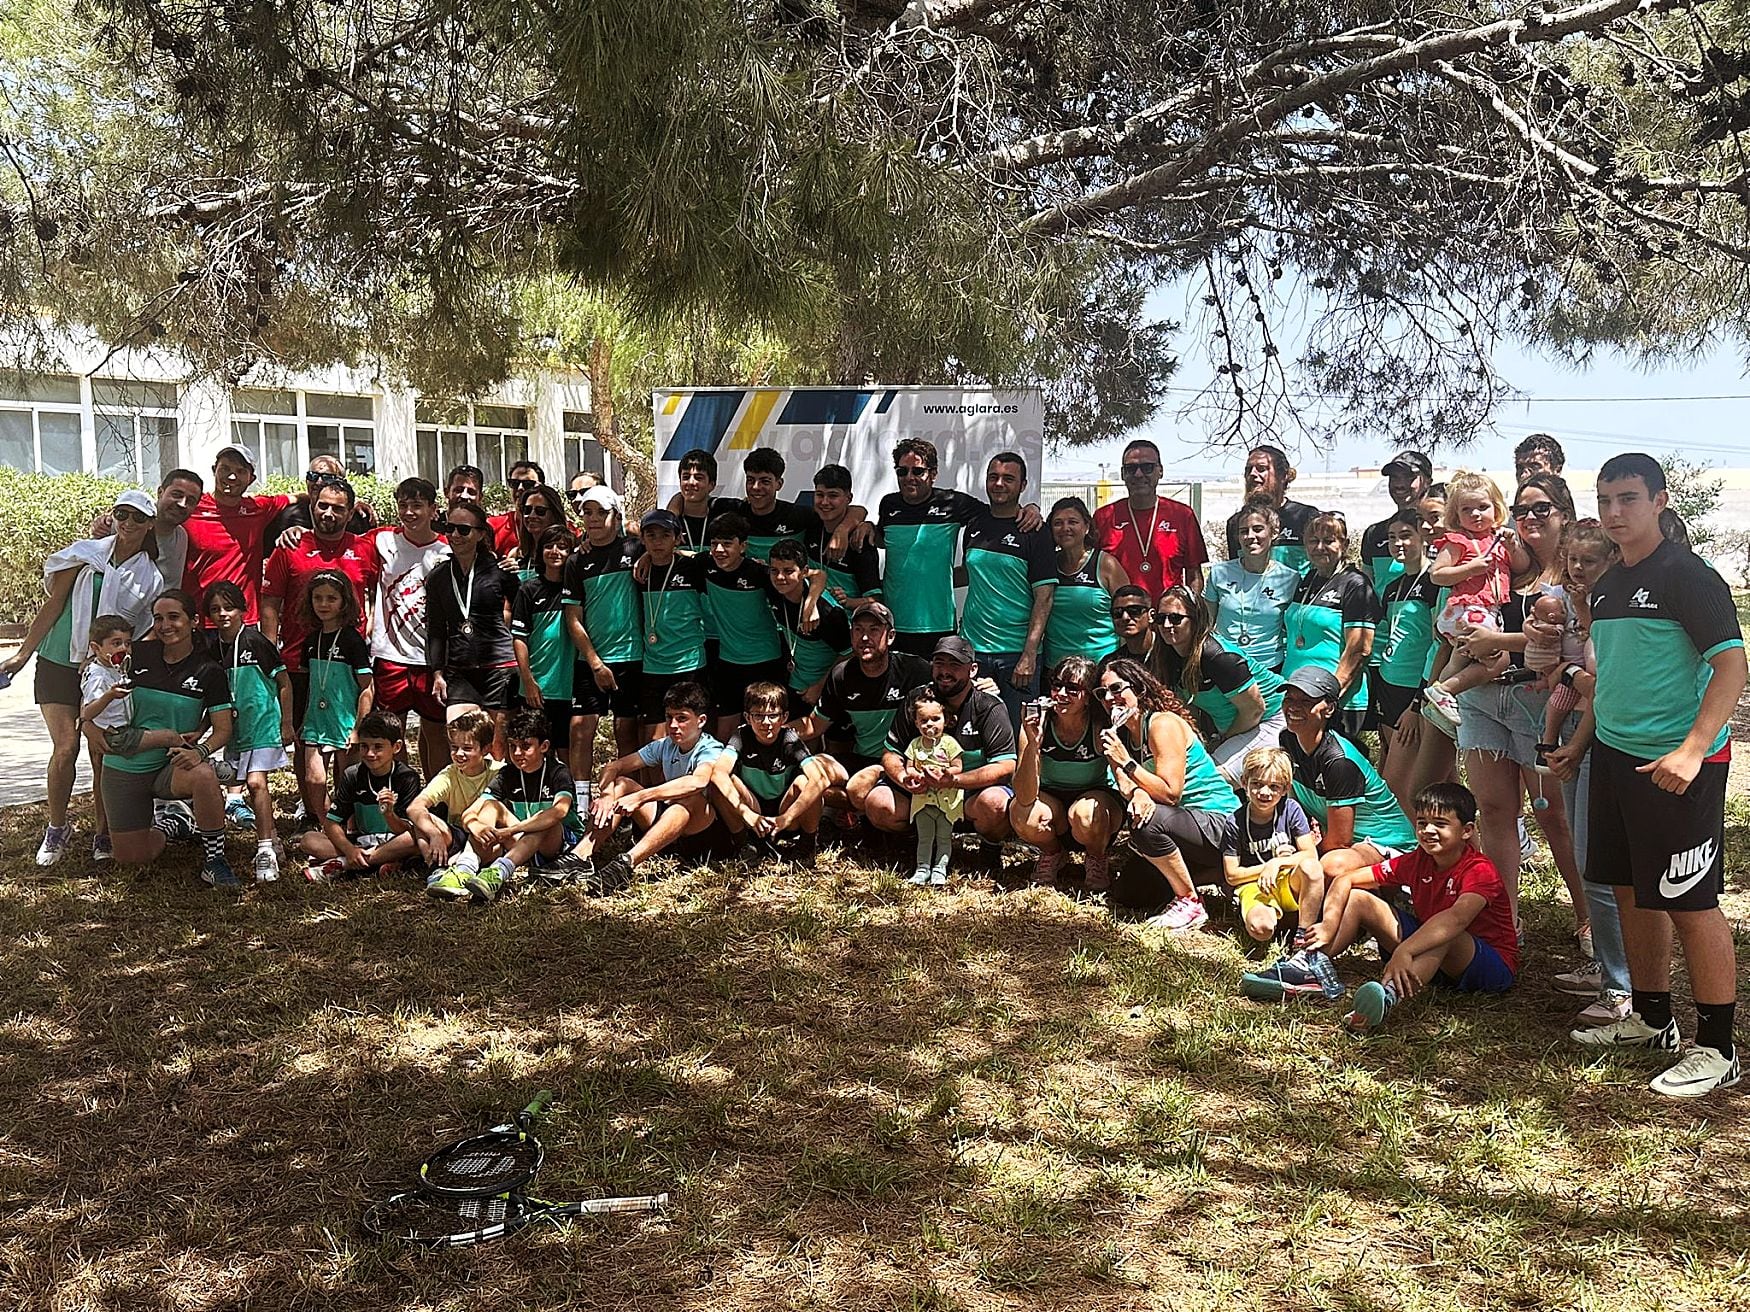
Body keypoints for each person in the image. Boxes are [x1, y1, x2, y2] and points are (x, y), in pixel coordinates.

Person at [1570, 453, 1745, 1097]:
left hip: (1678, 764)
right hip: (1615, 758)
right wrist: (1581, 744)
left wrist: (1694, 749)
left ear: (1660, 501)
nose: (1615, 513)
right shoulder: (1609, 584)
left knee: (1691, 903)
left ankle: (1718, 1046)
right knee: (1627, 888)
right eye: (1606, 499)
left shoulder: (1687, 576)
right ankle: (1650, 1018)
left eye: (1629, 499)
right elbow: (1615, 677)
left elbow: (1732, 667)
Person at [1446, 472, 1588, 931]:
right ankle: (1505, 922)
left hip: (1540, 701)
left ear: (1563, 514)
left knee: (1555, 819)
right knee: (1494, 811)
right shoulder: (1506, 563)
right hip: (1484, 699)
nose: (1529, 517)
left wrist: (1494, 639)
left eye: (1541, 509)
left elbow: (1558, 644)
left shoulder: (1576, 574)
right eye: (1521, 509)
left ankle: (1590, 919)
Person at [2, 488, 163, 866]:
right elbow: (54, 604)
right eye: (122, 514)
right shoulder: (85, 555)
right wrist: (23, 653)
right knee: (65, 748)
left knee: (101, 753)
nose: (128, 523)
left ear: (150, 525)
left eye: (138, 517)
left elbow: (136, 635)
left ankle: (103, 832)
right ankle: (57, 827)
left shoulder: (149, 578)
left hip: (101, 671)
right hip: (59, 659)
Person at [1310, 782, 1518, 1033]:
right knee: (1358, 899)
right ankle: (1312, 962)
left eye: (1440, 824)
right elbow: (1347, 879)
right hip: (1430, 956)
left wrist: (1405, 951)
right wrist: (1328, 925)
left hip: (1488, 966)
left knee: (1444, 934)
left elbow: (1456, 920)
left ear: (1467, 831)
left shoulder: (1479, 869)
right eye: (1421, 822)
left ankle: (1386, 998)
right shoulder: (1417, 860)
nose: (1428, 830)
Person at [1544, 519, 1632, 1028]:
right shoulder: (1581, 605)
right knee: (1585, 858)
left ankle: (1620, 986)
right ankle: (1605, 967)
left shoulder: (1612, 608)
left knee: (1595, 863)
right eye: (1573, 560)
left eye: (1590, 562)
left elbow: (1599, 682)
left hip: (1597, 738)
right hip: (1576, 733)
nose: (1579, 570)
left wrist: (1574, 744)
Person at [98, 589, 237, 888]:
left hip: (169, 768)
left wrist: (200, 751)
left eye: (174, 617)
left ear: (193, 621)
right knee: (132, 858)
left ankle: (214, 861)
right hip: (125, 765)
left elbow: (223, 729)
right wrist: (87, 725)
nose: (165, 625)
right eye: (158, 618)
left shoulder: (209, 670)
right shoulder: (135, 655)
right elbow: (94, 679)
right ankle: (175, 824)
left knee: (202, 774)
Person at [261, 475, 379, 814]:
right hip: (300, 659)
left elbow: (376, 591)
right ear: (312, 506)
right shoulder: (289, 546)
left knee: (348, 737)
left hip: (347, 659)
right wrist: (270, 653)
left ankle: (348, 810)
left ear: (351, 511)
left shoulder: (364, 547)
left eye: (338, 508)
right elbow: (270, 603)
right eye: (322, 506)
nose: (329, 513)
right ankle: (312, 809)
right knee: (306, 738)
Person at [1097, 657, 1235, 930]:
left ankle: (1190, 901)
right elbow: (1126, 786)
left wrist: (1126, 762)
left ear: (1139, 689)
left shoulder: (1161, 724)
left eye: (1116, 689)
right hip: (1183, 824)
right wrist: (1137, 791)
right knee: (1129, 893)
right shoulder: (1120, 736)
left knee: (1147, 823)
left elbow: (1171, 793)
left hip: (1218, 821)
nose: (1110, 698)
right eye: (1102, 693)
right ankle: (1223, 875)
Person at [862, 636, 1018, 846]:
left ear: (972, 669)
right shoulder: (916, 699)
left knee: (995, 804)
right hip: (921, 791)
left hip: (968, 794)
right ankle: (918, 841)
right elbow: (891, 753)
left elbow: (1005, 766)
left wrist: (954, 781)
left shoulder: (989, 706)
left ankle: (990, 845)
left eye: (954, 664)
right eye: (939, 663)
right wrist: (904, 777)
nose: (945, 671)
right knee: (877, 803)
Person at [879, 438, 1026, 656]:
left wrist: (1029, 508)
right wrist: (856, 522)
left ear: (934, 473)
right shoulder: (888, 504)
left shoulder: (952, 503)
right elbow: (877, 536)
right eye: (902, 471)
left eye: (918, 471)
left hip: (938, 625)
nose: (909, 477)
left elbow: (998, 511)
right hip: (891, 624)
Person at [1278, 666, 1416, 887]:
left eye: (1306, 702)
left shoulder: (1339, 762)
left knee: (1330, 866)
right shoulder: (1287, 740)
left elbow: (1339, 841)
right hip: (1344, 842)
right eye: (1289, 698)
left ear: (1329, 709)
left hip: (1386, 845)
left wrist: (1302, 853)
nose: (1293, 707)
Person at [584, 681, 726, 891]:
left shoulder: (710, 747)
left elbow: (698, 781)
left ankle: (626, 864)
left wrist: (641, 797)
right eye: (669, 717)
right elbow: (614, 767)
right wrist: (606, 795)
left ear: (701, 720)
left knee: (688, 799)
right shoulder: (665, 745)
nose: (673, 725)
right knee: (621, 784)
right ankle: (579, 856)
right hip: (667, 825)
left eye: (682, 718)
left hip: (702, 833)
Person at [1229, 746, 1340, 1001]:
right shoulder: (1235, 821)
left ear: (1285, 788)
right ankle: (1278, 922)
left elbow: (1310, 856)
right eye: (1257, 784)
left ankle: (1301, 941)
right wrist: (1264, 867)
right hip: (1255, 887)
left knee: (1312, 868)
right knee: (1261, 929)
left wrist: (1277, 864)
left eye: (1273, 787)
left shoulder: (1291, 810)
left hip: (1285, 880)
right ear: (1244, 783)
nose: (1264, 792)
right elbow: (1233, 875)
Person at [1422, 471, 1530, 722]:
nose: (1476, 514)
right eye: (1467, 509)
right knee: (1498, 659)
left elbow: (1522, 567)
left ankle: (1439, 697)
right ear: (1456, 515)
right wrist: (1470, 569)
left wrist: (1513, 546)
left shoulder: (1500, 539)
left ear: (1497, 508)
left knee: (1459, 659)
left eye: (1483, 507)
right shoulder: (1458, 541)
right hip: (1467, 609)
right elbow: (1436, 574)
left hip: (1484, 613)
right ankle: (1444, 691)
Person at [203, 581, 293, 881]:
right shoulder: (212, 647)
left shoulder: (255, 641)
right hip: (235, 729)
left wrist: (286, 722)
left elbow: (283, 682)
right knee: (233, 778)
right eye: (215, 609)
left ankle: (265, 850)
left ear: (243, 610)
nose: (222, 614)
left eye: (228, 608)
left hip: (263, 723)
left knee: (255, 784)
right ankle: (274, 837)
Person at [1154, 583, 1285, 785]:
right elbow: (1185, 708)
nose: (1167, 625)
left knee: (1211, 781)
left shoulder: (1217, 657)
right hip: (1236, 728)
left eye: (1176, 618)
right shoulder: (1169, 655)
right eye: (1161, 618)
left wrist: (1222, 740)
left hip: (1271, 718)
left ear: (1196, 619)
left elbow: (1255, 709)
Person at [959, 452, 1057, 722]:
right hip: (975, 650)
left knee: (1021, 735)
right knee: (975, 735)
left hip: (1016, 656)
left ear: (1023, 485)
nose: (999, 484)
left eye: (1008, 479)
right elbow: (974, 573)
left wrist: (1029, 654)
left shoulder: (1034, 530)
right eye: (994, 477)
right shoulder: (975, 525)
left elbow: (1045, 598)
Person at [453, 706, 588, 900]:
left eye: (525, 746)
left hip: (558, 844)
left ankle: (499, 872)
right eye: (512, 746)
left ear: (544, 746)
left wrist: (509, 831)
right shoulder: (508, 774)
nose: (517, 753)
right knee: (491, 807)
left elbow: (559, 812)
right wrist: (477, 827)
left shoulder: (558, 772)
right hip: (523, 843)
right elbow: (470, 812)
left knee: (544, 822)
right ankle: (464, 868)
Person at [799, 603, 932, 798]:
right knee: (806, 778)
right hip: (861, 758)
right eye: (858, 630)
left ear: (891, 636)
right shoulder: (841, 675)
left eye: (874, 630)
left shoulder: (915, 670)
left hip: (901, 763)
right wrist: (772, 730)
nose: (864, 638)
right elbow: (813, 725)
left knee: (858, 792)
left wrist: (982, 685)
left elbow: (952, 686)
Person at [1009, 656, 1119, 890]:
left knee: (1087, 813)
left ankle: (1096, 857)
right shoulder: (1037, 722)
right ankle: (1052, 854)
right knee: (1021, 812)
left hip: (1094, 800)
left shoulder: (1100, 725)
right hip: (1052, 803)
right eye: (1056, 685)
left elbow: (1122, 777)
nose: (1060, 694)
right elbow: (1025, 795)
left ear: (1088, 696)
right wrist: (1033, 744)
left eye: (1072, 689)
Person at [369, 478, 453, 778]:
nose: (409, 512)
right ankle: (403, 794)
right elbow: (341, 539)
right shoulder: (382, 541)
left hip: (430, 658)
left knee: (435, 731)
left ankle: (436, 798)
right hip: (390, 654)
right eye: (403, 505)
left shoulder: (447, 550)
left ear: (433, 509)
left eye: (417, 505)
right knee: (393, 732)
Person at [707, 681, 839, 858]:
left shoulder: (790, 739)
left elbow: (821, 779)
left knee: (806, 782)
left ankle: (807, 843)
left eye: (773, 715)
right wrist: (747, 814)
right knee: (720, 783)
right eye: (758, 716)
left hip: (786, 811)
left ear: (784, 717)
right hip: (753, 810)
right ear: (747, 718)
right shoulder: (741, 736)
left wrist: (787, 817)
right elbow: (718, 773)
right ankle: (744, 843)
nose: (766, 723)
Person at [563, 486, 644, 770]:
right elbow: (573, 617)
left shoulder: (636, 550)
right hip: (591, 661)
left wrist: (644, 552)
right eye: (587, 512)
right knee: (580, 730)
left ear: (616, 515)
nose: (594, 518)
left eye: (601, 512)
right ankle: (581, 805)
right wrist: (596, 663)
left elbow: (667, 548)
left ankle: (625, 799)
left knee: (626, 732)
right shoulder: (576, 560)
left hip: (632, 658)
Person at [424, 499, 518, 744]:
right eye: (450, 528)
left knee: (496, 751)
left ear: (480, 534)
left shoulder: (500, 570)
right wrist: (437, 673)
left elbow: (523, 614)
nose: (455, 535)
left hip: (499, 667)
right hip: (460, 670)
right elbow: (435, 630)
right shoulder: (438, 577)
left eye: (464, 529)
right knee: (461, 745)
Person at [1281, 512, 1377, 740]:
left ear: (1344, 544)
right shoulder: (1308, 580)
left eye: (1329, 540)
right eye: (1313, 541)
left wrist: (1329, 696)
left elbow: (1359, 650)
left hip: (1334, 700)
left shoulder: (1355, 584)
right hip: (1298, 695)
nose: (1320, 547)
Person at [300, 708, 423, 881]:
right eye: (364, 746)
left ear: (396, 747)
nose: (370, 753)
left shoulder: (407, 777)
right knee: (309, 840)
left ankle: (345, 864)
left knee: (415, 839)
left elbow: (408, 830)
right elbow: (331, 823)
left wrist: (389, 814)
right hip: (362, 842)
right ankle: (380, 863)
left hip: (395, 841)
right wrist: (350, 850)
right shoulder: (353, 775)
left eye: (378, 747)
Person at [1373, 509, 1441, 814]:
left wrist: (1418, 703)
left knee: (1396, 788)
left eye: (1405, 536)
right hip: (1389, 689)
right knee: (1438, 789)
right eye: (1391, 538)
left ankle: (1417, 855)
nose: (1398, 544)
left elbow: (1440, 645)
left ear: (1422, 537)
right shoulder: (1391, 586)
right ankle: (1465, 857)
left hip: (1417, 695)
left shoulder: (1435, 582)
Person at [295, 569, 375, 822]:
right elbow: (308, 684)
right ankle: (325, 822)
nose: (324, 604)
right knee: (314, 779)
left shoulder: (353, 641)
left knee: (346, 780)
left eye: (331, 598)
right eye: (318, 598)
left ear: (344, 602)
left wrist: (358, 727)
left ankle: (348, 828)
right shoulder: (310, 641)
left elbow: (367, 687)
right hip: (316, 721)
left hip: (346, 722)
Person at [703, 512, 790, 739]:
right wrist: (644, 558)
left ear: (743, 546)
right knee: (726, 733)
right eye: (714, 544)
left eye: (727, 544)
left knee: (769, 731)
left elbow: (800, 589)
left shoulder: (760, 574)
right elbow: (675, 555)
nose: (719, 550)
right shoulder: (704, 566)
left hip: (766, 662)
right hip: (728, 663)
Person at [182, 444, 292, 624]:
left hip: (244, 621)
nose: (232, 476)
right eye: (225, 468)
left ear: (251, 478)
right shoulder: (190, 507)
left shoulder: (259, 508)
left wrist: (355, 504)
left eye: (240, 471)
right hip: (199, 620)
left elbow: (298, 498)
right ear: (214, 470)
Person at [1092, 438, 1208, 593]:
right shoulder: (1104, 517)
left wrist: (1192, 611)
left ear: (1160, 471)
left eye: (1147, 467)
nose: (1138, 474)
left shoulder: (1182, 515)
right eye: (1131, 469)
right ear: (1122, 474)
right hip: (1120, 615)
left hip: (1167, 615)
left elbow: (1194, 575)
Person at [410, 710, 502, 898]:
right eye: (454, 747)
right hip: (457, 835)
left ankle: (457, 867)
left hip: (485, 838)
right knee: (422, 822)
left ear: (485, 749)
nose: (459, 754)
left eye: (467, 748)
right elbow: (415, 807)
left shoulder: (499, 772)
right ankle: (437, 869)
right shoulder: (450, 774)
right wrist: (434, 834)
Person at [634, 509, 711, 733]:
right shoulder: (640, 572)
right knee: (654, 741)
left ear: (678, 539)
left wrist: (681, 553)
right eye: (651, 535)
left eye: (665, 535)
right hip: (653, 666)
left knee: (688, 736)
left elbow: (714, 557)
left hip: (690, 664)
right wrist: (645, 556)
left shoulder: (692, 567)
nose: (658, 542)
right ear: (642, 539)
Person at [1206, 497, 1299, 674]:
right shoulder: (1219, 573)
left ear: (1274, 533)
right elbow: (1208, 623)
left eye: (1258, 529)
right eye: (1243, 531)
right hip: (1225, 663)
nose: (1250, 537)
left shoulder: (1290, 579)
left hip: (1270, 666)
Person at [765, 538, 850, 722]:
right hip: (795, 680)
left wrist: (821, 686)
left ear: (803, 572)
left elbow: (849, 654)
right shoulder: (773, 587)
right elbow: (819, 574)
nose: (780, 577)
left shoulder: (828, 612)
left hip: (825, 687)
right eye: (774, 571)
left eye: (788, 571)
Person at [513, 523, 581, 754]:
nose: (555, 552)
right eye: (549, 546)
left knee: (564, 749)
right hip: (537, 687)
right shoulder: (529, 589)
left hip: (569, 685)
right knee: (532, 748)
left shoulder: (580, 588)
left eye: (563, 547)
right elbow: (519, 638)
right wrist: (528, 680)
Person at [77, 615, 138, 862]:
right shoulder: (98, 675)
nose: (122, 648)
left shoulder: (118, 668)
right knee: (104, 783)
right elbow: (87, 712)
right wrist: (109, 697)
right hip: (107, 735)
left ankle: (123, 829)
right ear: (96, 648)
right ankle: (103, 836)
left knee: (119, 785)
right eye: (115, 643)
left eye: (127, 643)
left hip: (122, 728)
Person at [1043, 497, 1125, 666]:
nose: (1065, 528)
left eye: (1072, 522)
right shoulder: (1047, 564)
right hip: (1056, 668)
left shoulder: (1106, 564)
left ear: (1086, 527)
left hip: (1101, 666)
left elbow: (1128, 614)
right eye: (1058, 523)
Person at [898, 687, 964, 887]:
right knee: (924, 838)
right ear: (916, 723)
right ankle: (922, 869)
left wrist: (944, 775)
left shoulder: (950, 743)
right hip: (923, 801)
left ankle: (939, 870)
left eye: (935, 719)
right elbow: (909, 767)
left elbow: (958, 767)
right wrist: (916, 775)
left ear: (946, 720)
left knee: (944, 838)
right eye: (924, 720)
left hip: (946, 802)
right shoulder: (915, 745)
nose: (929, 725)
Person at [1225, 445, 1320, 575]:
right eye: (1248, 470)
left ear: (1284, 475)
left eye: (1261, 469)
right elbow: (1236, 571)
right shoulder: (1236, 523)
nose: (1252, 474)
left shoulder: (1307, 517)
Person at [807, 464, 882, 611]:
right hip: (811, 624)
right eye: (820, 495)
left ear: (849, 498)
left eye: (833, 495)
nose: (824, 502)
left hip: (846, 627)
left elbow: (877, 599)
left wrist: (848, 601)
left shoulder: (859, 541)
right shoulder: (810, 523)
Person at [1360, 451, 1434, 592]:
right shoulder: (1374, 533)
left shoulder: (1439, 530)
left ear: (1428, 482)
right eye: (1394, 477)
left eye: (1409, 477)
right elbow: (1367, 586)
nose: (1400, 484)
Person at [266, 456, 377, 540]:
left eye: (327, 477)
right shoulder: (288, 516)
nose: (318, 482)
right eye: (312, 476)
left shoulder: (359, 519)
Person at [506, 483, 569, 576]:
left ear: (554, 514)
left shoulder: (567, 551)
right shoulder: (516, 554)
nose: (532, 516)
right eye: (527, 510)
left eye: (540, 511)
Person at [488, 460, 547, 557]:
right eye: (514, 483)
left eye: (528, 484)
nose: (520, 488)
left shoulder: (560, 525)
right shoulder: (493, 526)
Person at [672, 447, 719, 555]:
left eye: (698, 477)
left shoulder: (721, 518)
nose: (691, 482)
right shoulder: (672, 523)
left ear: (711, 485)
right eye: (686, 477)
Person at [1108, 586, 1164, 673]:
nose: (1125, 617)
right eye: (1117, 612)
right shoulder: (1110, 664)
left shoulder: (1171, 653)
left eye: (1134, 610)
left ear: (1151, 616)